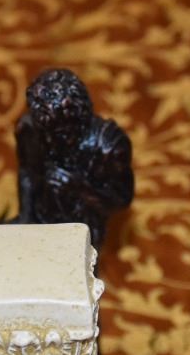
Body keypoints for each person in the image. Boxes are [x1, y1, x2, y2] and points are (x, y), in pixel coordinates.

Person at [15, 67, 133, 249]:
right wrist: (25, 218)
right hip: (39, 218)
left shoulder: (107, 145)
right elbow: (27, 173)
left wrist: (77, 187)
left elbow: (120, 200)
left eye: (59, 133)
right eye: (45, 132)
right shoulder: (29, 130)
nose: (50, 140)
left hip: (84, 231)